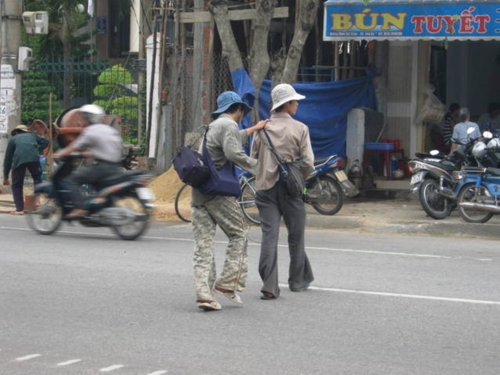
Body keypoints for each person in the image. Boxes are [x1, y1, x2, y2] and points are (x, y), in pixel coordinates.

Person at [192, 91, 268, 311]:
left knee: (203, 245)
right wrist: (257, 166)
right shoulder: (229, 126)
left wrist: (253, 129)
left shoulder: (213, 126)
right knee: (239, 234)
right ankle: (227, 284)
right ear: (239, 109)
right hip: (219, 192)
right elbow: (233, 152)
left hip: (199, 193)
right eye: (242, 112)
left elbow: (232, 138)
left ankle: (204, 294)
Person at [251, 83, 315, 300]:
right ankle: (297, 281)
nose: (297, 104)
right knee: (296, 236)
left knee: (269, 236)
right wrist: (299, 179)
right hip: (292, 189)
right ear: (286, 104)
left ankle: (269, 286)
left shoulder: (262, 128)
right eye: (295, 101)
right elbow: (308, 162)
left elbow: (254, 158)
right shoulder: (300, 128)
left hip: (265, 189)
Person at [53, 104, 123, 219]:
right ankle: (97, 207)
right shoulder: (109, 130)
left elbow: (74, 146)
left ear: (87, 118)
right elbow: (107, 148)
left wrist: (61, 153)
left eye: (83, 118)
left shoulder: (90, 131)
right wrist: (88, 154)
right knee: (96, 185)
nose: (81, 121)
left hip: (102, 167)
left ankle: (80, 208)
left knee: (72, 180)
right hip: (115, 166)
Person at [2, 124, 50, 215]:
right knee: (37, 178)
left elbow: (8, 159)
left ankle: (19, 209)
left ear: (16, 132)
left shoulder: (13, 139)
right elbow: (46, 141)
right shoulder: (33, 136)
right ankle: (37, 200)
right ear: (25, 131)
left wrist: (5, 177)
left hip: (19, 161)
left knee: (17, 185)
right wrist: (37, 150)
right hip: (34, 159)